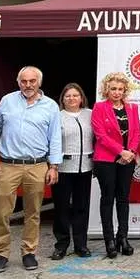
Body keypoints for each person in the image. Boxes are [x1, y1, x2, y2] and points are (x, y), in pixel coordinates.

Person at [0, 66, 61, 273]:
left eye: (32, 81)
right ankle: (1, 253)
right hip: (8, 164)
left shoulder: (50, 106)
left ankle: (29, 252)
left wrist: (54, 166)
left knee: (33, 212)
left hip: (37, 165)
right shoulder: (6, 101)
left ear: (39, 82)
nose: (28, 85)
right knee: (2, 211)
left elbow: (55, 136)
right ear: (18, 82)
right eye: (24, 81)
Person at [92, 72, 140, 259]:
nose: (117, 92)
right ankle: (109, 241)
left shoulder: (132, 108)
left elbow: (137, 133)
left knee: (123, 198)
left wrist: (130, 152)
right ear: (107, 89)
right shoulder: (99, 107)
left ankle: (123, 238)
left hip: (127, 160)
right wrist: (121, 151)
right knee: (107, 199)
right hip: (106, 160)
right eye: (113, 88)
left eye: (120, 89)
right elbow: (101, 136)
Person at [51, 83, 93, 260]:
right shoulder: (57, 117)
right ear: (62, 99)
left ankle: (80, 244)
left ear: (81, 98)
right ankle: (61, 244)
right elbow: (51, 141)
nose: (72, 99)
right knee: (61, 208)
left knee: (81, 207)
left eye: (75, 95)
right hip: (63, 168)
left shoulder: (90, 114)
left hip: (85, 167)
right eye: (68, 96)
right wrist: (52, 165)